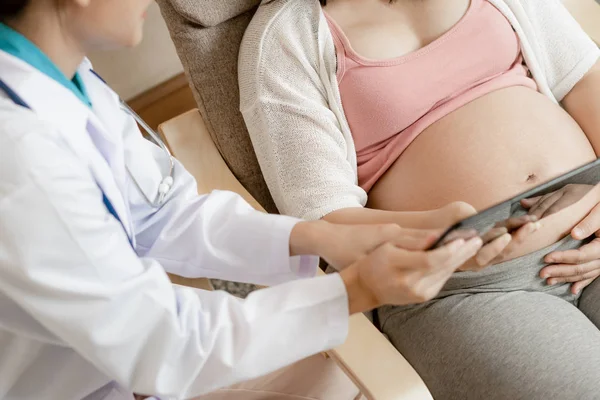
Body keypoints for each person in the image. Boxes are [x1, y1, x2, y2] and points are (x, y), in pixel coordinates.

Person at [0, 0, 486, 399]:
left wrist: (325, 238)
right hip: (102, 376)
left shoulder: (65, 79)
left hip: (127, 360)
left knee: (336, 384)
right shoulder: (20, 157)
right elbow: (163, 345)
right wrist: (358, 289)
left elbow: (165, 215)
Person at [238, 0, 600, 398]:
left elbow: (586, 77)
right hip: (465, 288)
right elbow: (324, 218)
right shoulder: (287, 37)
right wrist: (445, 232)